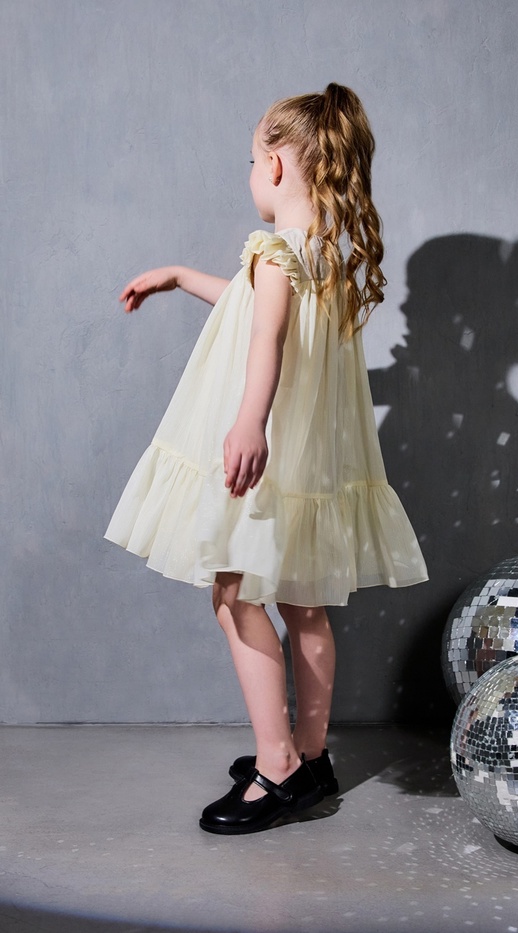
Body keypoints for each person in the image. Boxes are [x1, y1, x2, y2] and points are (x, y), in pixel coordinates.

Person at [106, 83, 428, 835]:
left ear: (278, 165)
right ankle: (311, 758)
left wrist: (249, 421)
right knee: (304, 603)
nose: (252, 173)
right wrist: (181, 276)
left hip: (269, 456)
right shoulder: (324, 257)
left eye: (253, 159)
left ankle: (276, 766)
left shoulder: (276, 251)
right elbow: (253, 308)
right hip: (307, 466)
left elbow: (267, 337)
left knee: (232, 593)